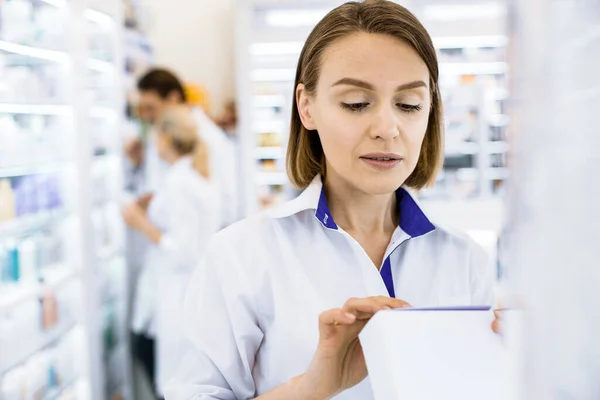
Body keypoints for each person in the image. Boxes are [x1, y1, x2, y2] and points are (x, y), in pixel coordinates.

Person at [165, 1, 499, 399]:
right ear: (306, 106)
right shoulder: (241, 256)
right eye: (356, 103)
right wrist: (310, 388)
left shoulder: (465, 260)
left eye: (409, 105)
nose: (387, 129)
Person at [123, 105, 221, 396]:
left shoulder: (180, 182)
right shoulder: (193, 175)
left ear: (165, 137)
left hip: (178, 293)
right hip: (186, 292)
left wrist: (141, 224)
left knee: (167, 377)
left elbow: (183, 250)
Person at [130, 68, 238, 227]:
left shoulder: (211, 138)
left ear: (173, 98)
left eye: (151, 108)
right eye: (143, 109)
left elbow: (227, 208)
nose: (146, 117)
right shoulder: (160, 134)